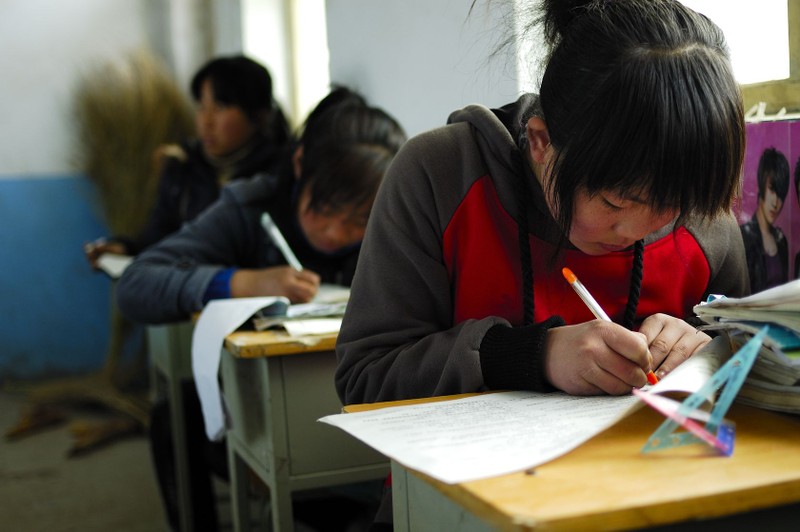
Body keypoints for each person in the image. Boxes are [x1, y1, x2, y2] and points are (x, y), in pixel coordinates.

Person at [335, 2, 749, 525]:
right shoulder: (442, 177)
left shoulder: (705, 216)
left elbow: (753, 368)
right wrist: (533, 355)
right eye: (616, 203)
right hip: (466, 509)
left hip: (664, 502)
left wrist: (708, 354)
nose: (637, 231)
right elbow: (365, 380)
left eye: (670, 207)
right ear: (540, 141)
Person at [117, 86, 406, 531]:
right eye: (323, 208)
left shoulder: (396, 214)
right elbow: (137, 283)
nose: (334, 232)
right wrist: (241, 281)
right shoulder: (250, 206)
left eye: (358, 221)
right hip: (254, 398)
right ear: (298, 166)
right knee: (174, 421)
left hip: (364, 405)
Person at [84, 54, 290, 266]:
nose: (206, 121)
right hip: (190, 290)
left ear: (259, 115)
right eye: (201, 106)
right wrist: (126, 248)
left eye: (220, 107)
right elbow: (159, 237)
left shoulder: (281, 173)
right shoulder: (182, 167)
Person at [740, 147, 790, 293]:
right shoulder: (744, 236)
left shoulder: (781, 241)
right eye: (772, 190)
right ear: (762, 186)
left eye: (780, 195)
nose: (776, 202)